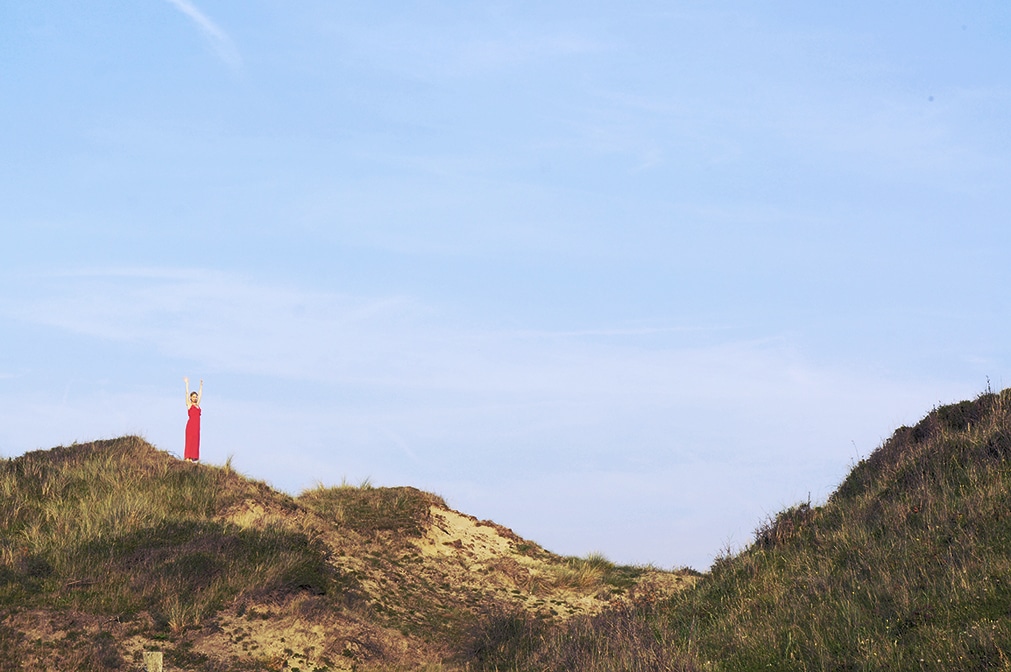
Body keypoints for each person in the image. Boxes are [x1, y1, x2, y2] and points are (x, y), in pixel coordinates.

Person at [183, 377, 203, 461]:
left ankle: (192, 457)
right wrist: (187, 384)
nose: (195, 398)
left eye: (196, 397)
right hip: (191, 425)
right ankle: (188, 457)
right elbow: (187, 394)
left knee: (195, 440)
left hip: (197, 426)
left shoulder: (197, 405)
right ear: (191, 398)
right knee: (190, 440)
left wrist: (201, 386)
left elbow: (200, 394)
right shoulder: (189, 404)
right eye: (194, 397)